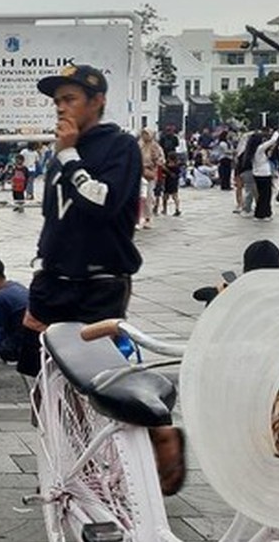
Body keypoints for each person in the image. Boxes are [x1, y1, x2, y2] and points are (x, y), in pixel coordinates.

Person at [24, 64, 185, 496]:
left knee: (101, 374)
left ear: (97, 101)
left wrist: (69, 156)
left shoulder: (118, 147)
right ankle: (81, 460)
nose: (61, 108)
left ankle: (156, 429)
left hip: (99, 281)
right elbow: (55, 216)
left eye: (70, 99)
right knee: (51, 378)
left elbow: (104, 202)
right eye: (57, 101)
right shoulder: (63, 149)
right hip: (54, 279)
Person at [250, 129, 279, 222]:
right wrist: (276, 133)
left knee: (262, 195)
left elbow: (266, 156)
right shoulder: (260, 148)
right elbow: (272, 140)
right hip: (264, 175)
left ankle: (263, 213)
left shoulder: (252, 150)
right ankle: (262, 214)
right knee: (265, 196)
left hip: (257, 174)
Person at [137, 129, 164, 228]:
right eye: (143, 134)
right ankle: (139, 217)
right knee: (139, 196)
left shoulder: (155, 146)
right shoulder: (139, 145)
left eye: (147, 134)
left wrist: (154, 162)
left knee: (148, 195)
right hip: (138, 172)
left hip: (149, 173)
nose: (145, 136)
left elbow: (161, 159)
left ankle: (148, 217)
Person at [160, 151, 182, 217]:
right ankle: (176, 209)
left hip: (169, 182)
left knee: (166, 197)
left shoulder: (167, 165)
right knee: (174, 196)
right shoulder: (177, 165)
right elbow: (178, 174)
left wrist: (165, 170)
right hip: (172, 182)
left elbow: (166, 174)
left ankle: (165, 209)